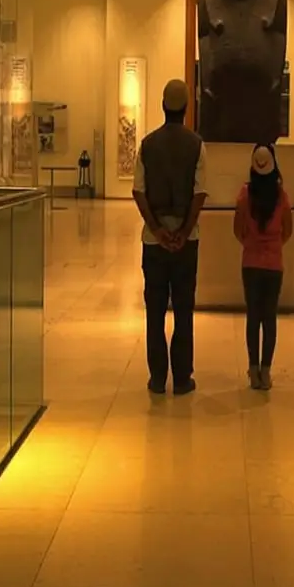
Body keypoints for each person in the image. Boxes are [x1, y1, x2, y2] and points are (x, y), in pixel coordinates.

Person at [132, 79, 207, 395]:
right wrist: (183, 232)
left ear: (163, 106)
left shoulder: (148, 145)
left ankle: (157, 377)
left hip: (154, 241)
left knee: (155, 310)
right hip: (187, 243)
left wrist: (159, 231)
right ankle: (182, 377)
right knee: (184, 309)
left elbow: (138, 191)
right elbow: (199, 193)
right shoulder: (196, 144)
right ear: (187, 108)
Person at [233, 144, 293, 390]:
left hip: (250, 263)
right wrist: (274, 245)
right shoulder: (282, 196)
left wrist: (251, 244)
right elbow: (288, 230)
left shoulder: (244, 195)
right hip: (274, 265)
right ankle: (266, 371)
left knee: (253, 316)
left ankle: (253, 368)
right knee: (269, 318)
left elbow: (237, 230)